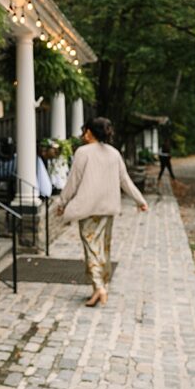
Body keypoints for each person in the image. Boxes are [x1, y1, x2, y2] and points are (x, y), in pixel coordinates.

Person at [55, 118, 148, 307]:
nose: (83, 135)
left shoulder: (83, 152)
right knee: (103, 248)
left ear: (89, 132)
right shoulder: (114, 153)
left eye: (84, 131)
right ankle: (100, 287)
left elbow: (73, 181)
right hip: (108, 208)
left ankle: (100, 287)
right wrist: (140, 200)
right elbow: (125, 181)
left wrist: (62, 202)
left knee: (91, 248)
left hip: (88, 208)